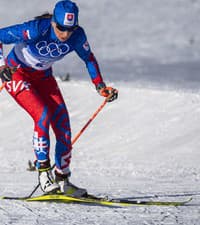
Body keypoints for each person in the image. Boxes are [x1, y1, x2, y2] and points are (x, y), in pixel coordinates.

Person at [0, 0, 118, 197]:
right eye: (61, 28)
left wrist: (100, 85)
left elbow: (88, 58)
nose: (65, 34)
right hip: (17, 73)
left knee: (63, 124)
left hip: (43, 77)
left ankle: (63, 180)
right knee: (42, 115)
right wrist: (2, 66)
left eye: (70, 29)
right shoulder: (36, 29)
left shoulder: (77, 36)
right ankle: (44, 173)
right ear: (53, 22)